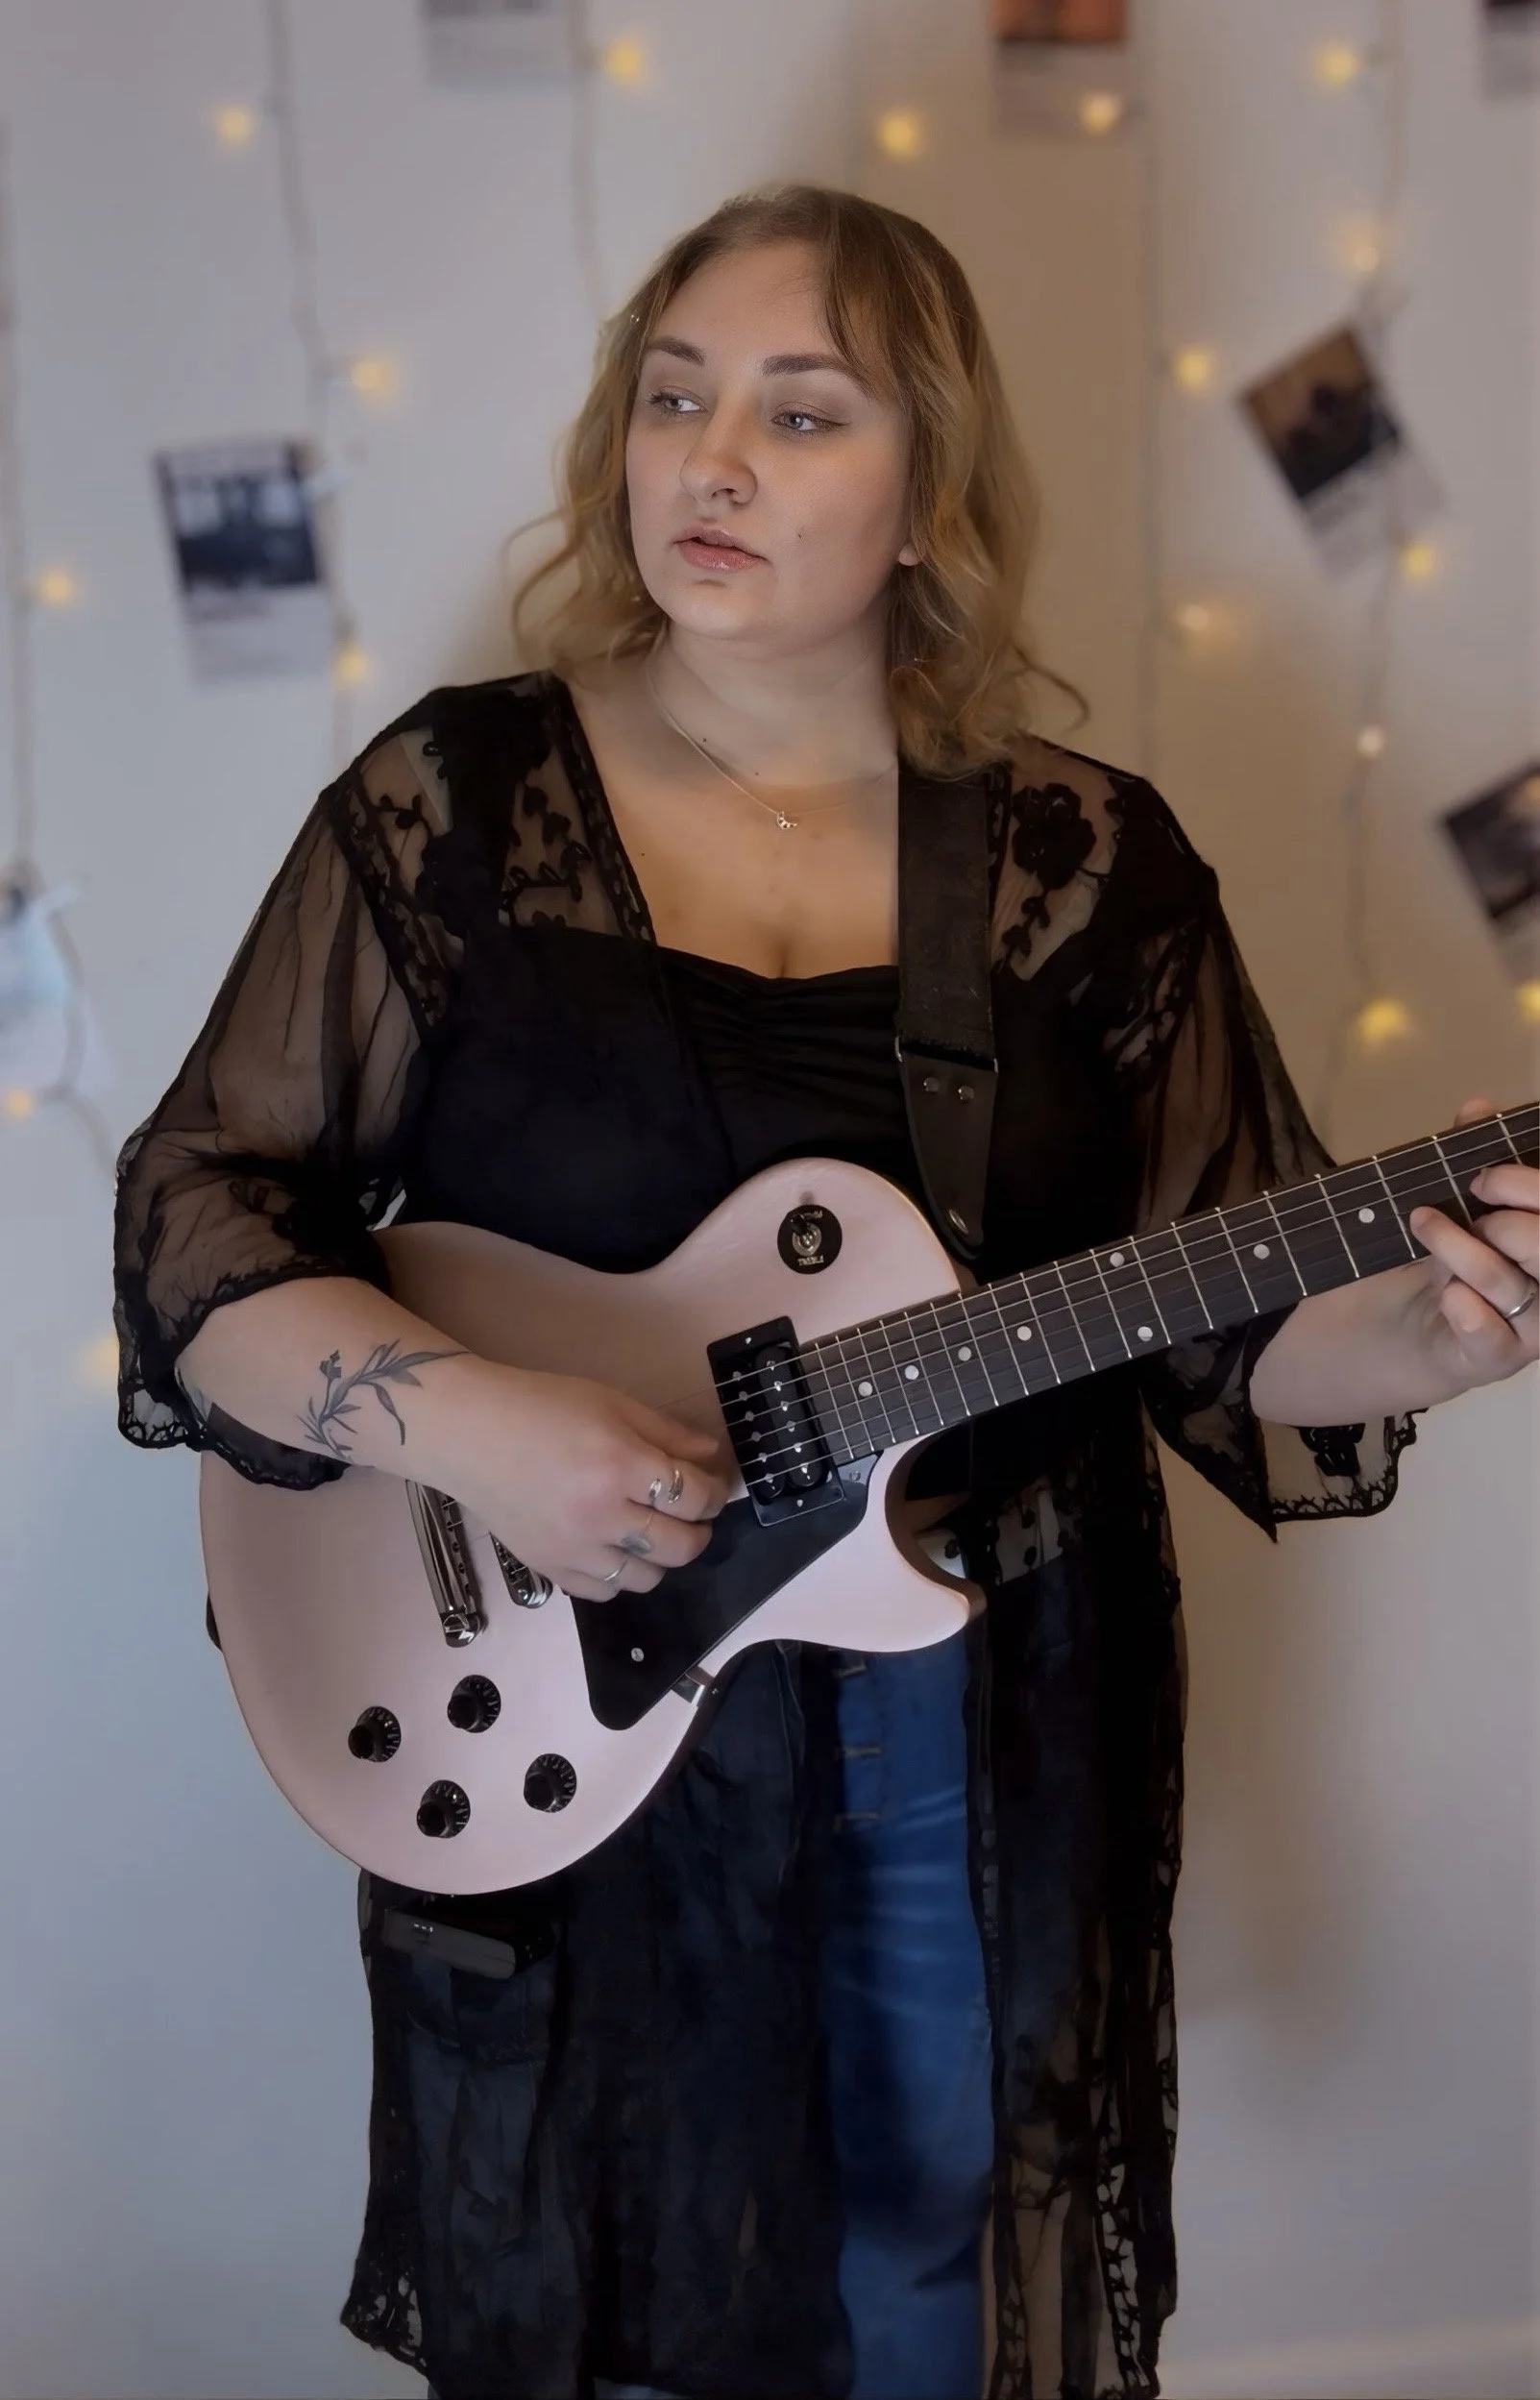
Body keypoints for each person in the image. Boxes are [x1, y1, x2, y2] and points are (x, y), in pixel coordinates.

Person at [111, 184, 1538, 2400]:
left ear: (929, 491)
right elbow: (198, 1209)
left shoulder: (1089, 865)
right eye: (674, 396)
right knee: (603, 2273)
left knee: (927, 2252)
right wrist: (480, 1425)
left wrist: (1436, 1333)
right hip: (549, 1672)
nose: (713, 458)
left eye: (800, 410)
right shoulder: (454, 806)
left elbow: (1239, 1300)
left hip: (967, 1703)